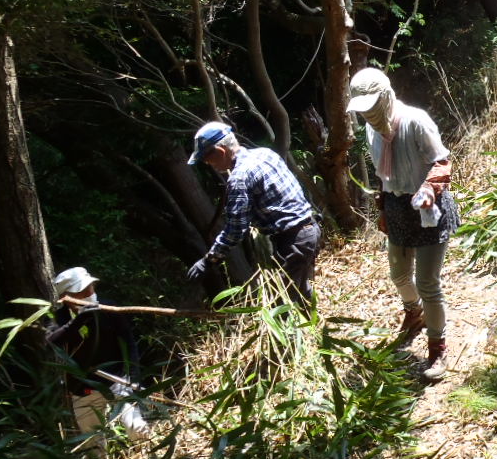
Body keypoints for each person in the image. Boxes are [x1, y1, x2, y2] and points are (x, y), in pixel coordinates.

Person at [348, 68, 459, 381]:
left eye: (371, 106)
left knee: (427, 282)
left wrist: (428, 190)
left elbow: (442, 162)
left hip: (428, 206)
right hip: (397, 206)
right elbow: (384, 177)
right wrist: (383, 209)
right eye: (362, 108)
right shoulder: (372, 130)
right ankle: (414, 313)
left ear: (385, 97)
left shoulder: (415, 121)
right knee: (398, 273)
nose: (368, 114)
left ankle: (438, 348)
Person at [187, 122, 321, 306]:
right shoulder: (265, 153)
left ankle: (306, 331)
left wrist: (208, 261)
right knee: (300, 293)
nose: (208, 165)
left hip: (294, 241)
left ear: (220, 151)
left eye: (207, 160)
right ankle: (313, 331)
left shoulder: (239, 178)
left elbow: (235, 230)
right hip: (309, 231)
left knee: (281, 305)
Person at [47, 267, 151, 455]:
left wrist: (134, 376)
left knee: (138, 428)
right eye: (82, 291)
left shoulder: (108, 308)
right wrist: (79, 319)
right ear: (66, 298)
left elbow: (129, 342)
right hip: (82, 387)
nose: (89, 294)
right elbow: (53, 342)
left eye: (91, 288)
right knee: (92, 443)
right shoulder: (60, 317)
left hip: (116, 380)